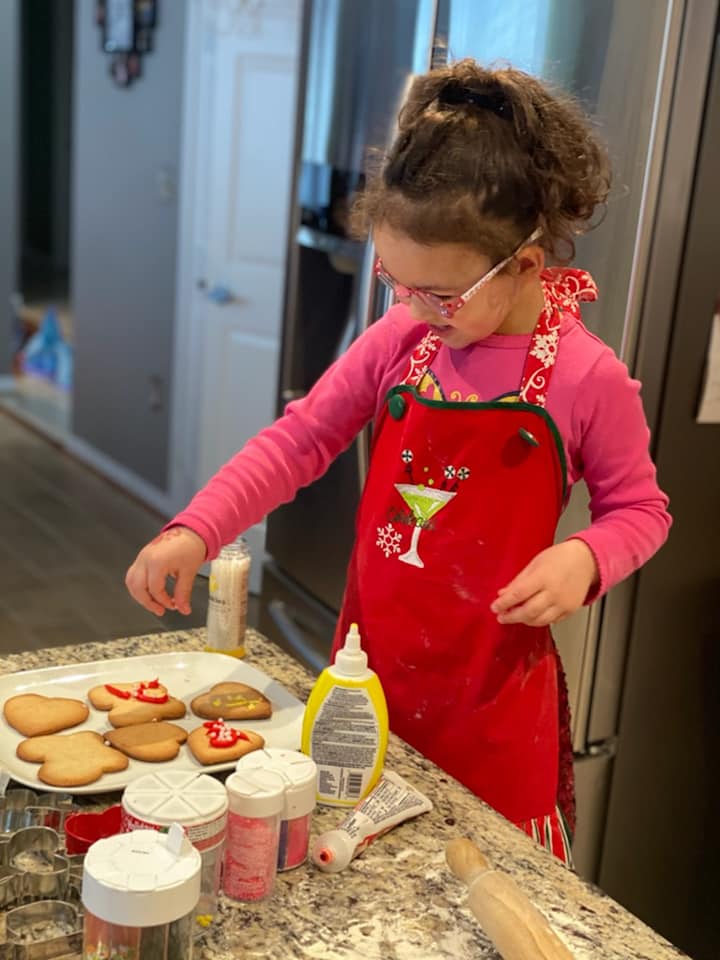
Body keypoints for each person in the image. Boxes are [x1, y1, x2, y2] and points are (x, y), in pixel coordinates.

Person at [126, 61, 671, 865]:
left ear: (525, 265)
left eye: (441, 295)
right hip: (368, 683)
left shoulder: (586, 377)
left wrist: (587, 556)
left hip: (492, 711)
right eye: (396, 282)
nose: (415, 309)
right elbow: (300, 440)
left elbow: (642, 511)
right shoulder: (403, 340)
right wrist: (197, 528)